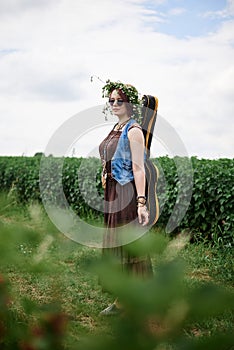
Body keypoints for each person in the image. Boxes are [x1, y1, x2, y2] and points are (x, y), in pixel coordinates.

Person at [99, 81, 153, 315]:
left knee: (126, 246)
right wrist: (104, 171)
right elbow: (109, 155)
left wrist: (141, 202)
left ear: (129, 103)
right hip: (112, 193)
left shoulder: (133, 130)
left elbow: (138, 168)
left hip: (126, 194)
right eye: (111, 100)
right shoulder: (116, 128)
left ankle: (124, 303)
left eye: (119, 100)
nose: (114, 104)